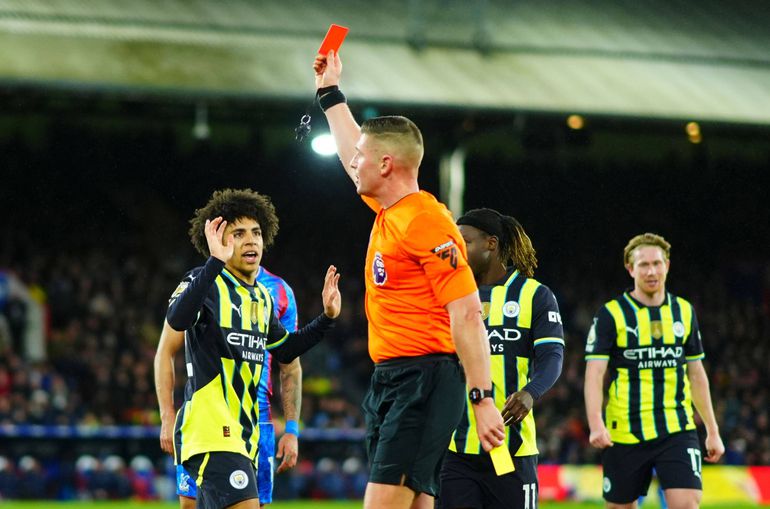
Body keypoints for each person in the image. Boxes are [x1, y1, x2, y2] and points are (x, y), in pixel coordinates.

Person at [313, 51, 505, 509]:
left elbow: (468, 312)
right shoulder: (392, 211)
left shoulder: (425, 222)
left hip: (424, 381)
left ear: (385, 165)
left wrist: (482, 398)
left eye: (362, 157)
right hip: (395, 379)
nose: (353, 163)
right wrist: (330, 94)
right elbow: (350, 150)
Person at [159, 188, 341, 509]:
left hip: (246, 434)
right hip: (210, 430)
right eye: (238, 234)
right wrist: (214, 262)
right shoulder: (203, 282)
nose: (251, 241)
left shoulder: (262, 298)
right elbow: (178, 318)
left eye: (256, 233)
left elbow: (286, 350)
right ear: (219, 240)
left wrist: (326, 318)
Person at [584, 233, 724, 509]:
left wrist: (712, 430)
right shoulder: (611, 314)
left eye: (657, 264)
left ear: (667, 266)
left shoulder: (684, 311)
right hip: (625, 431)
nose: (651, 271)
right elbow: (594, 373)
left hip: (677, 427)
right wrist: (596, 422)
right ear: (630, 269)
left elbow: (697, 374)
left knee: (686, 503)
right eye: (644, 265)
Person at [438, 208, 565, 509]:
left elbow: (552, 356)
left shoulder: (534, 295)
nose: (458, 249)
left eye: (465, 242)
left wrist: (530, 392)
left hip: (512, 449)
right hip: (455, 451)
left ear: (491, 244)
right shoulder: (449, 294)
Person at [155, 261, 303, 508]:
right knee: (191, 504)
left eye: (256, 238)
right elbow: (166, 350)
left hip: (257, 422)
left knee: (252, 504)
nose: (250, 243)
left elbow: (291, 366)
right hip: (208, 418)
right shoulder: (205, 281)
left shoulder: (279, 291)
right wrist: (167, 415)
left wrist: (291, 430)